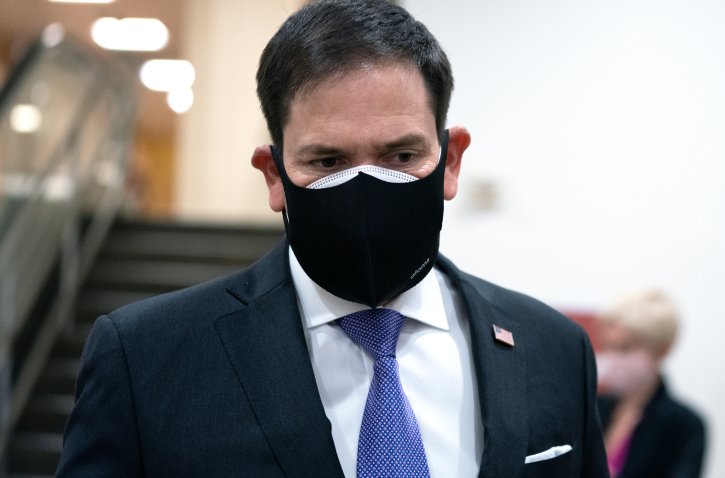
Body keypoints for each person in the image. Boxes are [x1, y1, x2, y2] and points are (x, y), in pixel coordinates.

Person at [56, 1, 608, 476]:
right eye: (328, 160)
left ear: (451, 161)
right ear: (273, 175)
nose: (366, 186)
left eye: (401, 156)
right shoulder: (147, 359)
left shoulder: (554, 350)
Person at [595, 288, 706, 478]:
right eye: (608, 347)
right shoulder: (595, 408)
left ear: (662, 350)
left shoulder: (684, 425)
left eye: (625, 349)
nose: (613, 359)